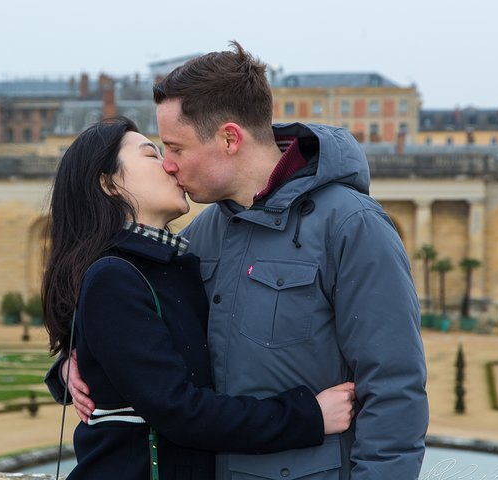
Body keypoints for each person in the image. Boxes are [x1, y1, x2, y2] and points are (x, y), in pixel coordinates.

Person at [66, 43, 429, 479]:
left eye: (175, 148)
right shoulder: (203, 234)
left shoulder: (352, 225)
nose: (168, 166)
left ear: (230, 138)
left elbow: (394, 388)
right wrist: (73, 362)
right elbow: (137, 322)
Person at [42, 116, 355, 480]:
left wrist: (71, 365)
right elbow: (180, 411)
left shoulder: (171, 262)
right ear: (109, 184)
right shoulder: (115, 275)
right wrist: (309, 416)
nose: (170, 165)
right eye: (152, 154)